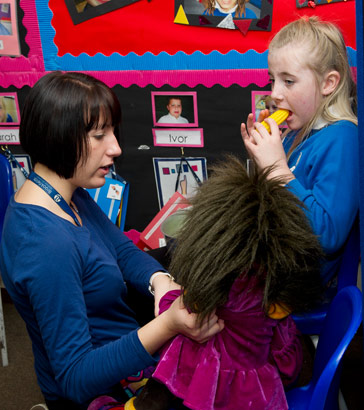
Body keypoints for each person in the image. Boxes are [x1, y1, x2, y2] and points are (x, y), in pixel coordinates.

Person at [0, 72, 224, 410]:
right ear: (59, 137)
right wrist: (168, 324)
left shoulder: (66, 192)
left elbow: (120, 249)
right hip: (101, 392)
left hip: (125, 358)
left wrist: (159, 281)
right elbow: (75, 379)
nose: (116, 148)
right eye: (99, 135)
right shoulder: (46, 245)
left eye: (112, 133)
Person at [92, 156, 322, 410]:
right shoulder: (272, 290)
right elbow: (285, 353)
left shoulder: (221, 281)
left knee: (181, 347)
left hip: (211, 381)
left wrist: (169, 294)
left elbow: (177, 308)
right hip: (257, 388)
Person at [241, 16, 359, 286]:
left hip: (295, 288)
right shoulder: (294, 133)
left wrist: (279, 170)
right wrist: (262, 162)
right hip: (268, 266)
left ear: (329, 83)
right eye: (273, 80)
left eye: (289, 81)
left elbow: (328, 236)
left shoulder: (342, 137)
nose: (275, 94)